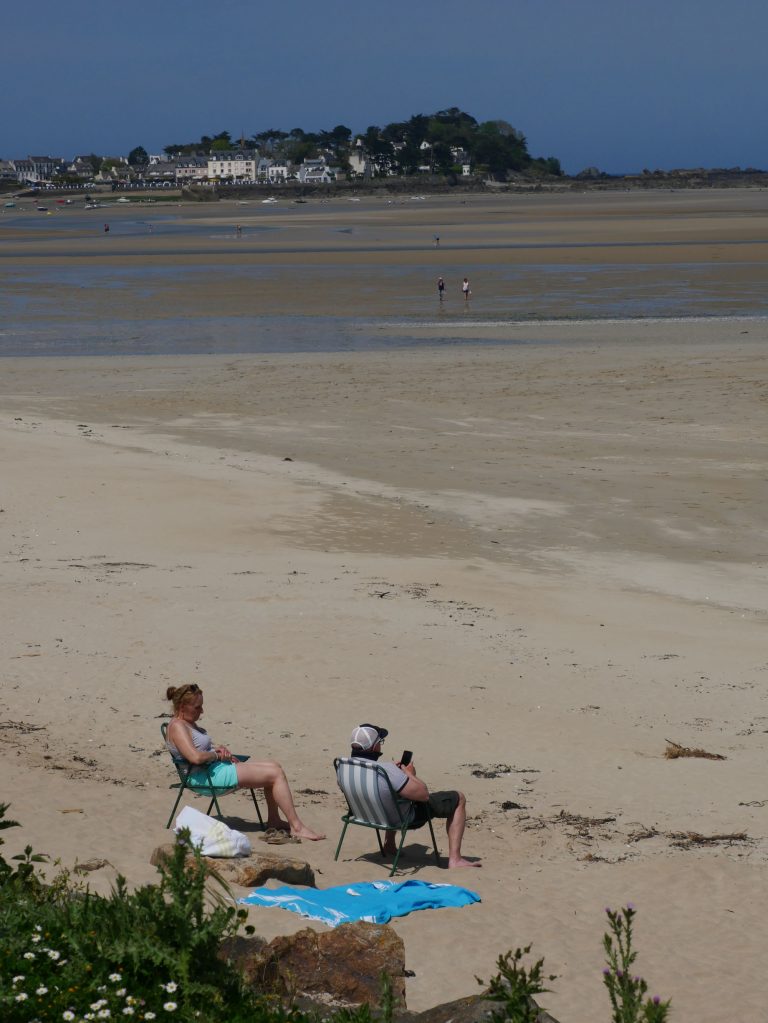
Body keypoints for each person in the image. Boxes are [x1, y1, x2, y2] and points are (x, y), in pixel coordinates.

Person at [166, 683, 324, 841]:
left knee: (274, 766)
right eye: (197, 707)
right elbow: (195, 757)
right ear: (182, 706)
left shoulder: (186, 722)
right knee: (275, 774)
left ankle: (274, 819)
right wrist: (217, 755)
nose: (202, 711)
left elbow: (198, 750)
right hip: (204, 778)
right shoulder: (178, 726)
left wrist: (217, 750)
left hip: (211, 770)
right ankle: (297, 827)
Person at [348, 723, 480, 868]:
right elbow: (424, 795)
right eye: (380, 742)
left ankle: (389, 845)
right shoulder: (386, 771)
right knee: (458, 798)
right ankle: (455, 859)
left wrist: (395, 774)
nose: (380, 745)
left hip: (365, 815)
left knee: (392, 793)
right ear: (374, 747)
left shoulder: (344, 766)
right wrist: (409, 775)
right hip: (398, 819)